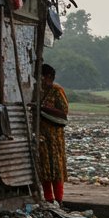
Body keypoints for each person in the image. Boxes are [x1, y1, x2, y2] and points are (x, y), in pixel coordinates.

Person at [36, 63, 68, 204]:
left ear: (49, 77)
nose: (40, 79)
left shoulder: (57, 90)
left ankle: (59, 199)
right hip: (42, 136)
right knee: (45, 168)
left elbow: (64, 112)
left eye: (42, 76)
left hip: (55, 137)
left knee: (56, 168)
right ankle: (49, 199)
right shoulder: (37, 91)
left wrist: (44, 109)